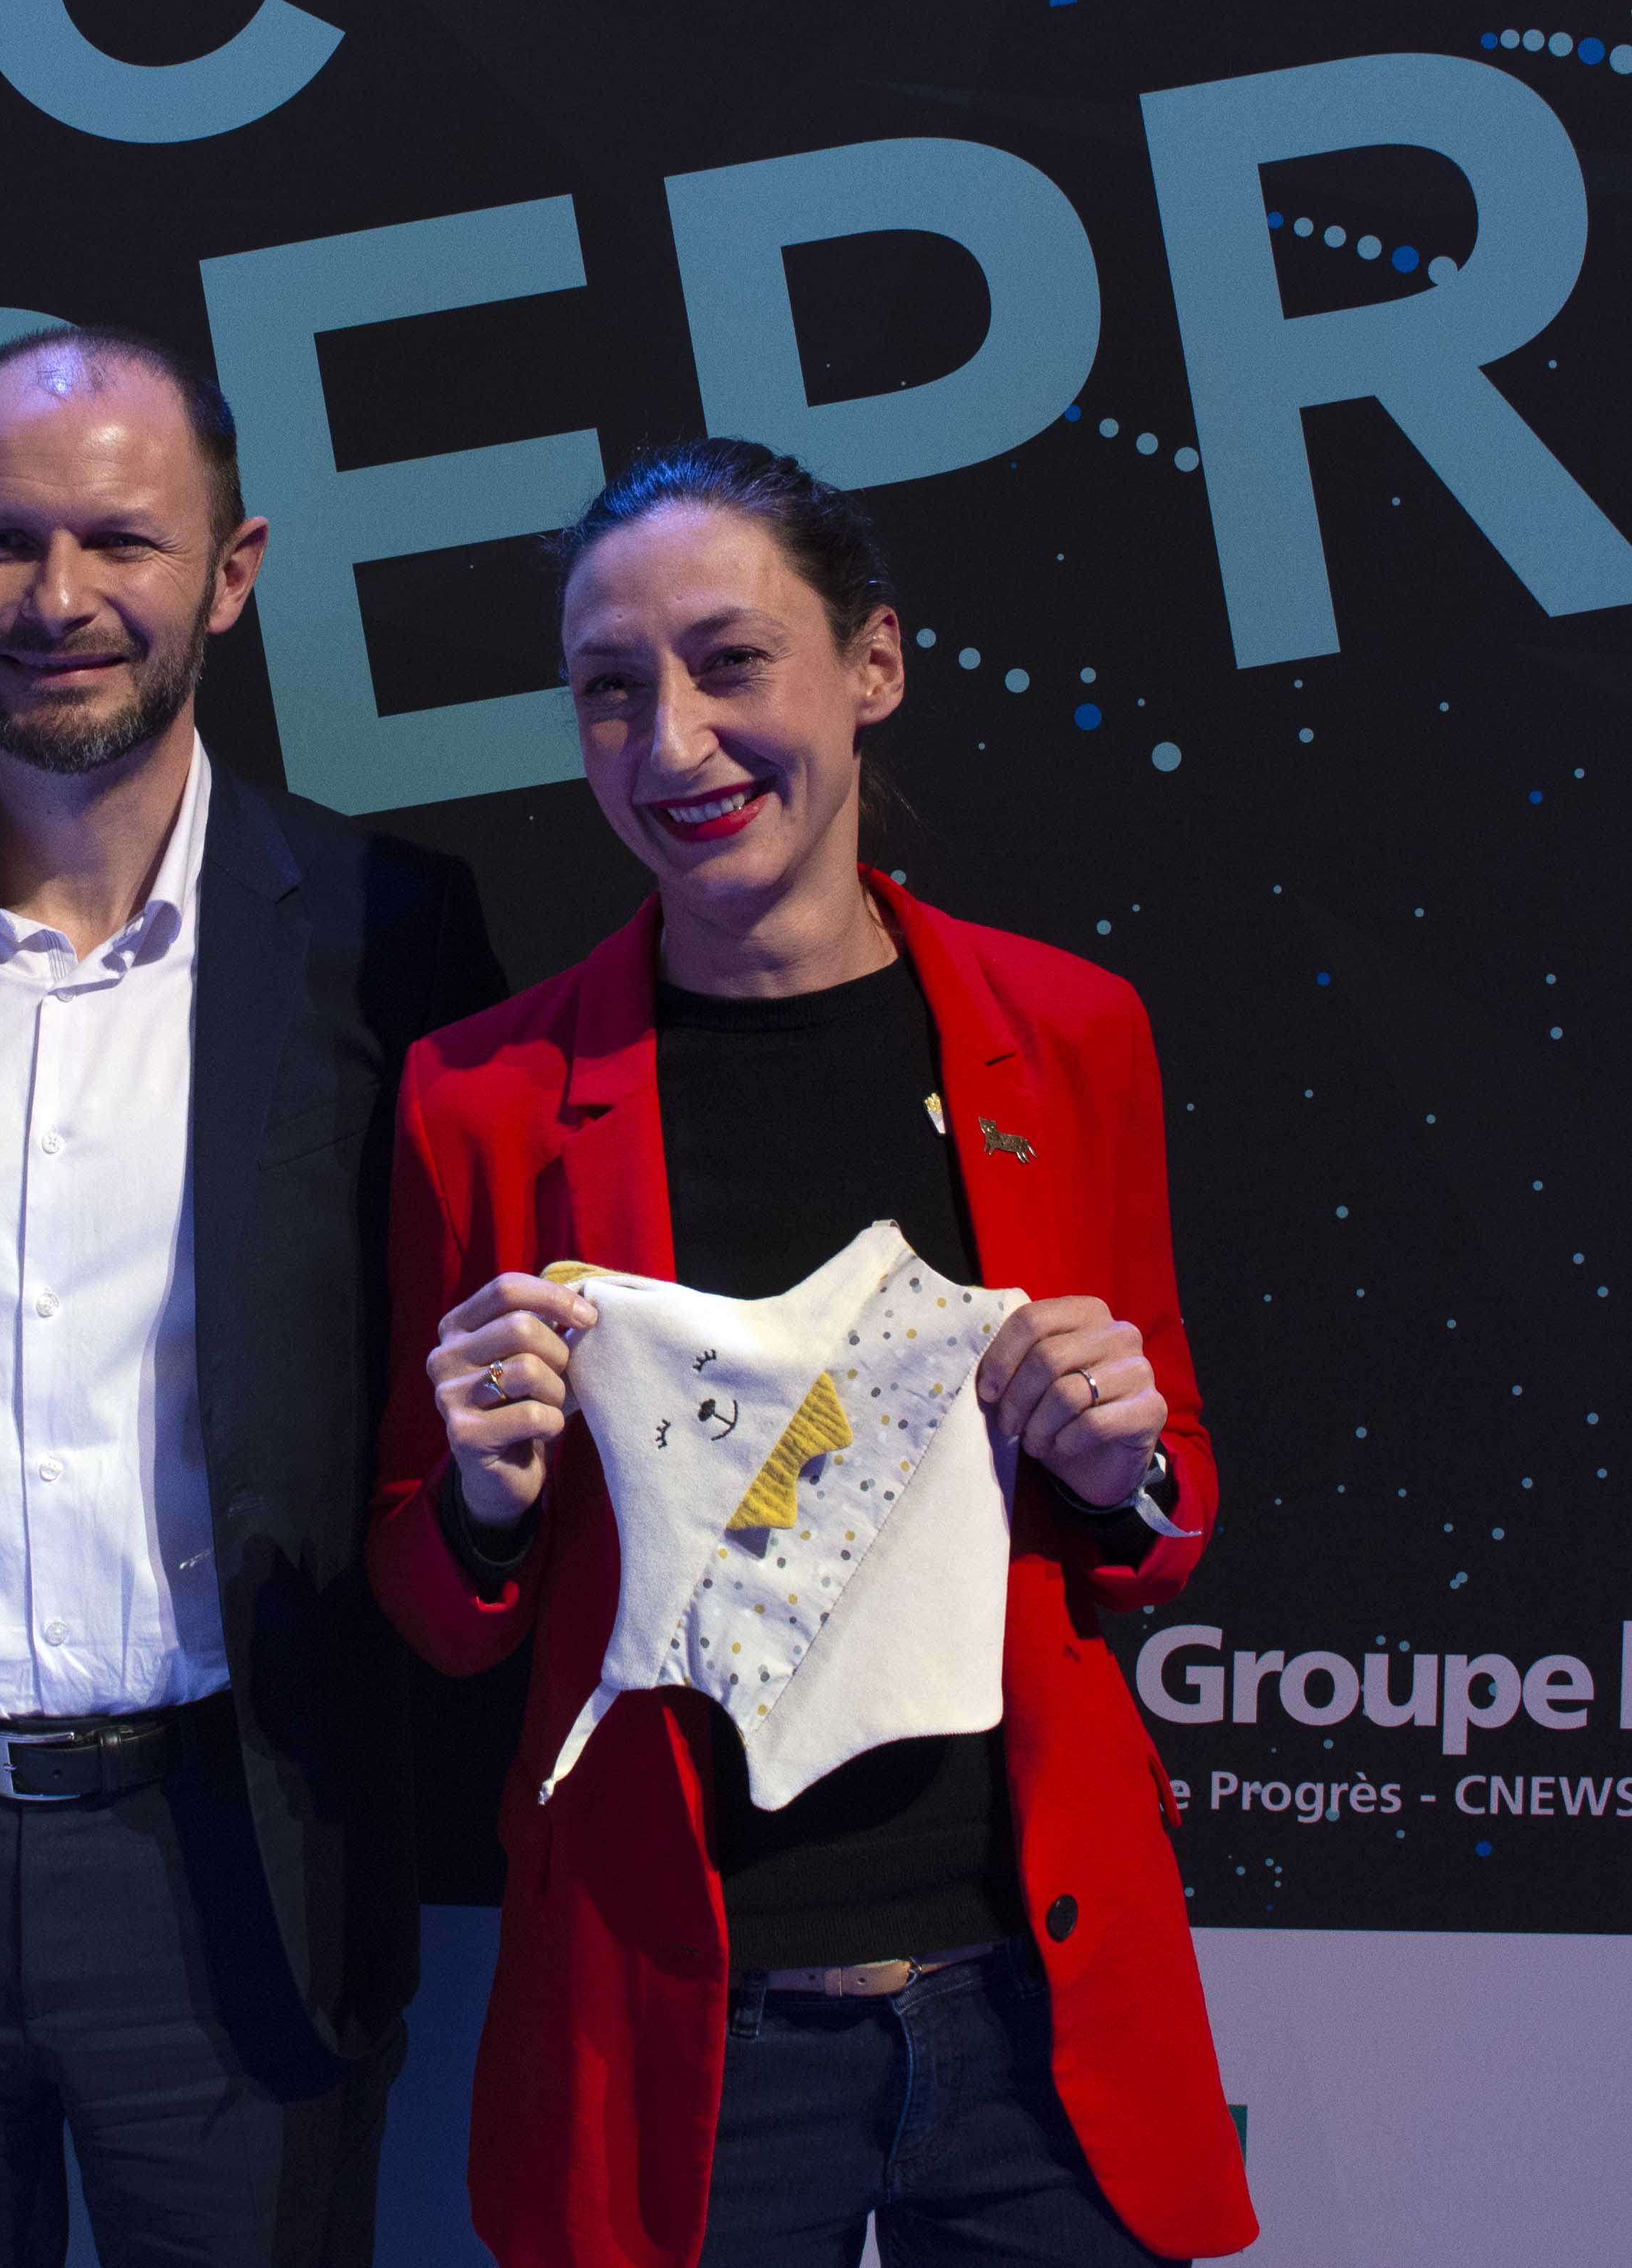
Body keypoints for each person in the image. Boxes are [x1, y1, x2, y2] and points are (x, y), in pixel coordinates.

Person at [366, 438, 1258, 2267]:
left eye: (730, 662)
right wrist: (481, 1500)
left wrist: (1124, 1464)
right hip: (688, 2020)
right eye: (612, 689)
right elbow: (436, 1608)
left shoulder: (1069, 1036)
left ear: (874, 665)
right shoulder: (486, 1099)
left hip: (1031, 2005)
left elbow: (1163, 1521)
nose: (673, 742)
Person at [0, 325, 501, 2267]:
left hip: (239, 1851)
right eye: (1, 542)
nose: (58, 598)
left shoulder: (388, 933)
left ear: (230, 570)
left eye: (122, 541)